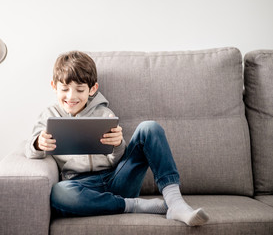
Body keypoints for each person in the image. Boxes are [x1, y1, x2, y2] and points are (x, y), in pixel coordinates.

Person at [25, 51, 209, 226]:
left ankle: (175, 203)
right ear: (54, 86)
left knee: (150, 128)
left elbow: (116, 159)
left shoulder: (104, 113)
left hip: (116, 178)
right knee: (59, 193)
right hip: (80, 185)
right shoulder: (49, 115)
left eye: (79, 90)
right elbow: (29, 151)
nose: (71, 96)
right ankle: (133, 205)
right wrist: (38, 144)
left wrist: (118, 145)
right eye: (64, 89)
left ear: (92, 89)